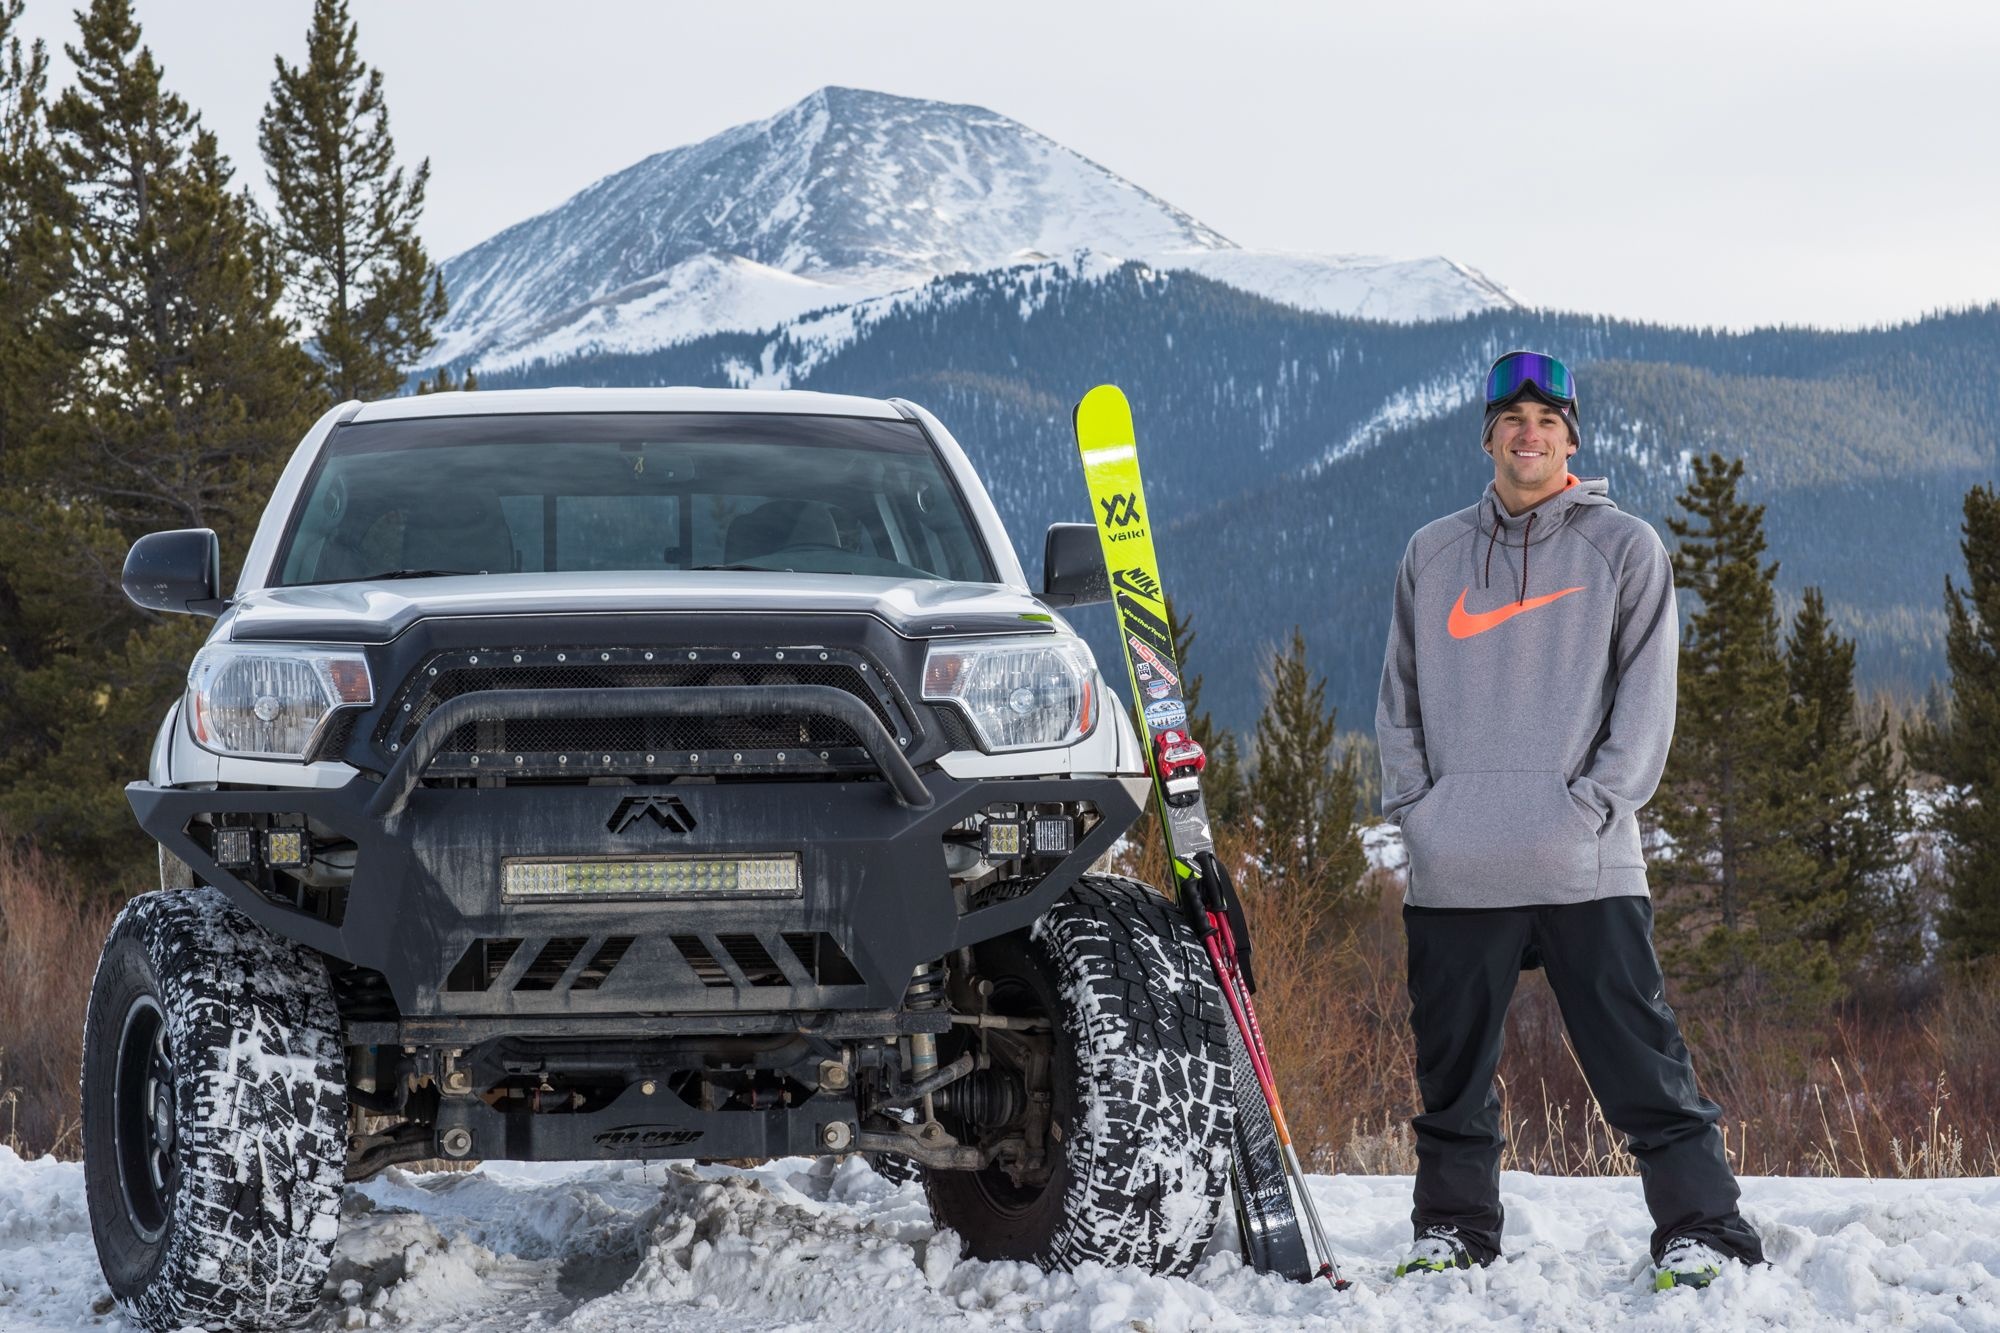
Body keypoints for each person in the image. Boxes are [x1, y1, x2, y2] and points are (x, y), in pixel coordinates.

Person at [1374, 349, 1764, 1290]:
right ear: (1488, 436)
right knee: (1451, 1075)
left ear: (1572, 439)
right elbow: (1399, 702)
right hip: (1457, 862)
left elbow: (1647, 700)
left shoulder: (1624, 547)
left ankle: (1704, 1230)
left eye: (1547, 420)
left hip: (1585, 860)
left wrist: (1592, 807)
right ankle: (1455, 1231)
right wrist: (1419, 815)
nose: (1529, 433)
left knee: (1642, 1064)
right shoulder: (1431, 553)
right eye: (1512, 419)